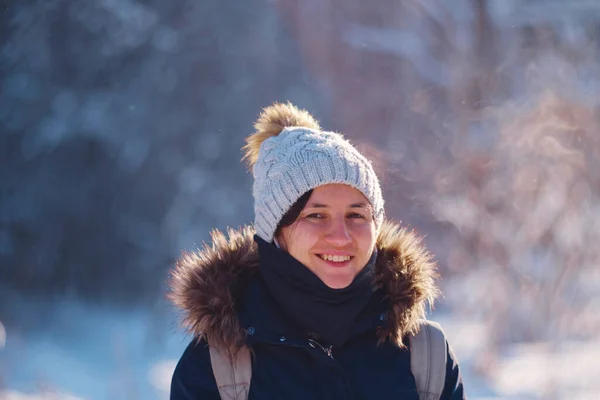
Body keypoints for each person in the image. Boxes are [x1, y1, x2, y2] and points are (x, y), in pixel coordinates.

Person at [168, 102, 466, 399]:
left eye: (356, 215)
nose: (340, 237)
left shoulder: (427, 357)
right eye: (316, 215)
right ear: (275, 232)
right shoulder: (217, 371)